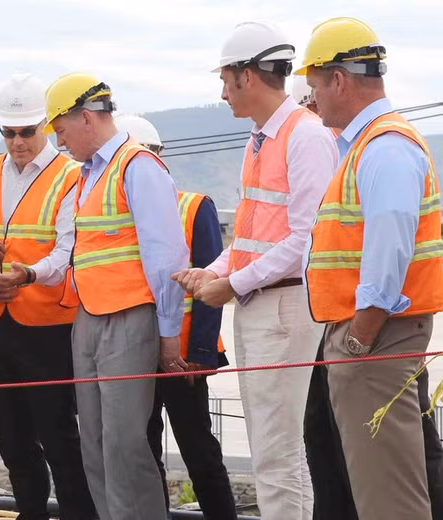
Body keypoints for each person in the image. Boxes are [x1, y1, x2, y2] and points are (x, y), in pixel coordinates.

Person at [173, 21, 338, 519]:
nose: (222, 92)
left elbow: (305, 241)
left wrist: (231, 283)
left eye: (226, 79)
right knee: (278, 450)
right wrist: (213, 271)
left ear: (248, 75)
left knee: (276, 453)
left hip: (284, 306)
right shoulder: (262, 140)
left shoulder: (302, 137)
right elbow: (249, 234)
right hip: (264, 305)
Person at [299, 17, 443, 520]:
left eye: (313, 85)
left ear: (338, 79)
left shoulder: (384, 147)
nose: (311, 99)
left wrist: (362, 332)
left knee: (388, 497)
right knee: (374, 484)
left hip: (375, 338)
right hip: (369, 335)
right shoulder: (369, 146)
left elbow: (390, 244)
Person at [47, 73, 189, 520]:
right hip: (89, 318)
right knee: (95, 445)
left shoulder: (138, 166)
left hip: (128, 319)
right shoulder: (87, 176)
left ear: (86, 118)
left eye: (61, 130)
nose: (60, 141)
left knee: (125, 447)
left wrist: (169, 333)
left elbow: (166, 258)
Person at [0, 74, 96, 520]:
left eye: (26, 131)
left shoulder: (73, 176)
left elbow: (69, 248)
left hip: (50, 328)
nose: (16, 142)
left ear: (47, 126)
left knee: (60, 438)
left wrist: (28, 274)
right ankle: (31, 512)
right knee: (12, 437)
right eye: (8, 132)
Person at [115, 114, 237, 520]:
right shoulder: (113, 216)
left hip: (184, 354)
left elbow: (209, 282)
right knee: (143, 451)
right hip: (134, 353)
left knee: (198, 448)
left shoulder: (194, 206)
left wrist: (202, 351)